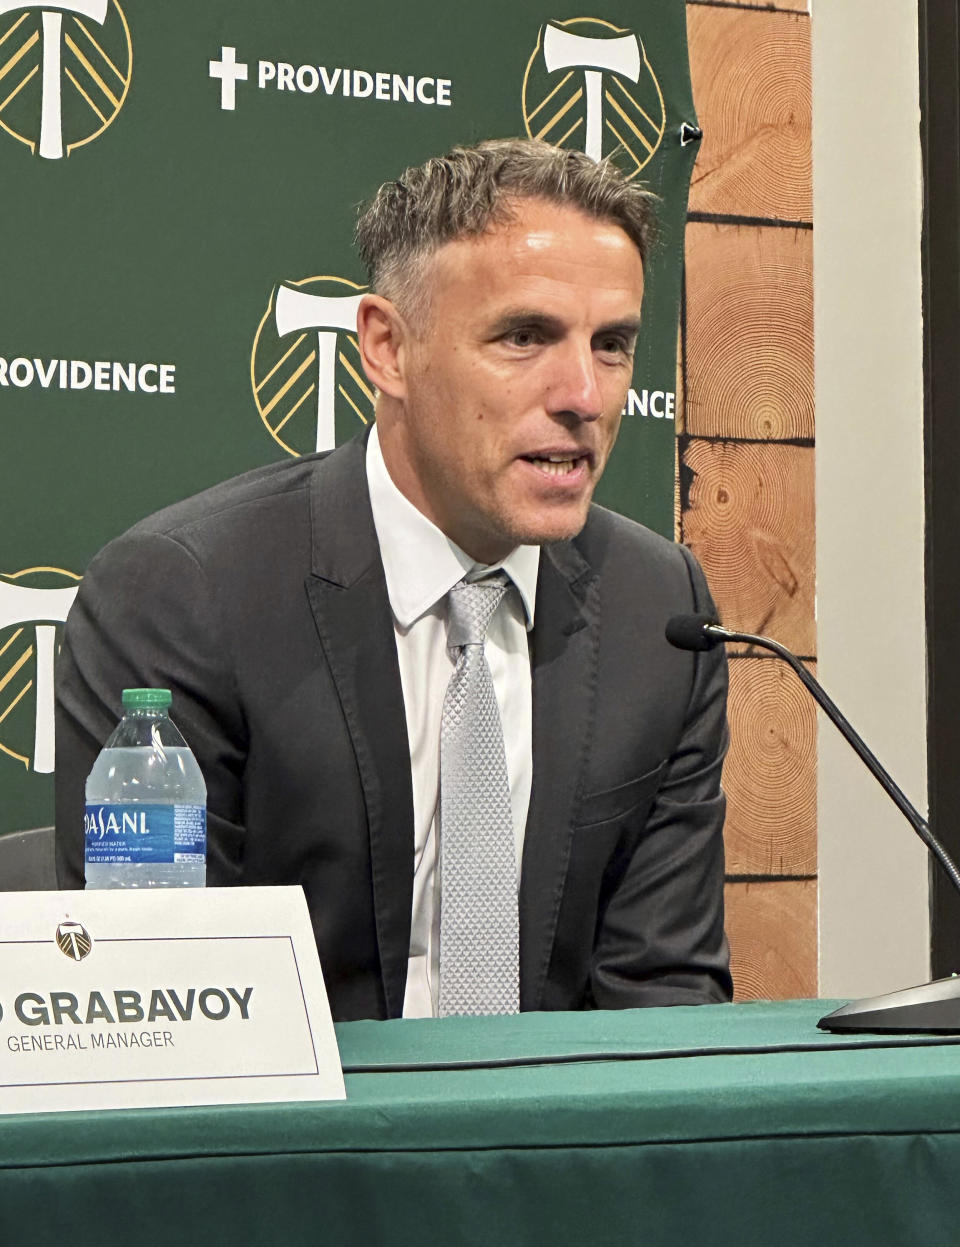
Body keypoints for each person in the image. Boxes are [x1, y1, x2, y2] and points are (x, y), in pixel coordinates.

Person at [55, 138, 733, 1021]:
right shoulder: (186, 597)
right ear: (387, 347)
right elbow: (155, 1018)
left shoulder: (661, 610)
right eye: (524, 336)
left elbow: (665, 1000)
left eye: (612, 344)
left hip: (560, 1147)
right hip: (294, 1147)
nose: (584, 394)